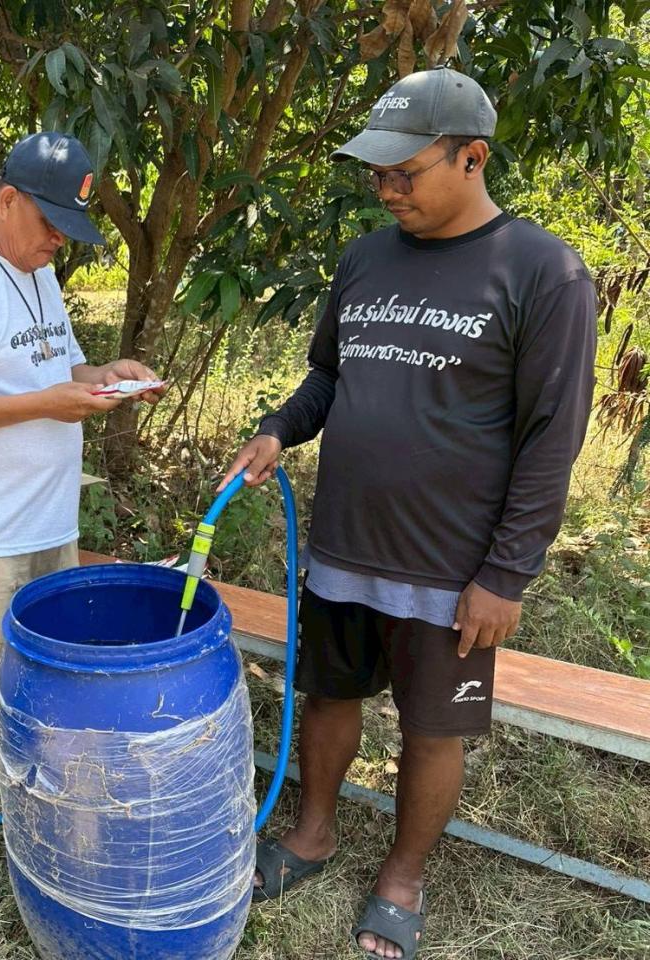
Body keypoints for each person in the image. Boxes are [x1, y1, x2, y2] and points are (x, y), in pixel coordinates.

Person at [221, 68, 596, 959]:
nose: (389, 191)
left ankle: (402, 874)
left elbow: (553, 438)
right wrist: (279, 430)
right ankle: (312, 833)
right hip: (346, 544)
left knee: (434, 728)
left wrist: (505, 574)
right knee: (329, 695)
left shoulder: (544, 271)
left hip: (451, 567)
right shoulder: (365, 258)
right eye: (378, 176)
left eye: (406, 173)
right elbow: (329, 376)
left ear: (473, 157)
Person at [0, 131, 164, 910]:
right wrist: (44, 403)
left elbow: (54, 370)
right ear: (6, 199)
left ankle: (7, 783)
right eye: (49, 225)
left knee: (37, 676)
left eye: (66, 232)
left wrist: (103, 376)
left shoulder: (38, 278)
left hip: (50, 522)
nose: (56, 244)